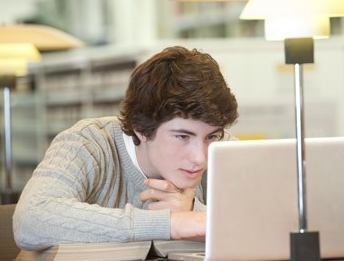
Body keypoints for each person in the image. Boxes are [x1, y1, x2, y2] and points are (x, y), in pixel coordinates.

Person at [13, 46, 238, 250]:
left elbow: (270, 224)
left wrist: (192, 211)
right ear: (141, 128)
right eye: (182, 136)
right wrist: (171, 224)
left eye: (211, 136)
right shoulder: (89, 143)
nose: (200, 158)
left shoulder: (224, 148)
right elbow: (31, 219)